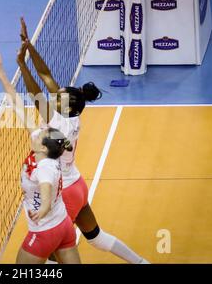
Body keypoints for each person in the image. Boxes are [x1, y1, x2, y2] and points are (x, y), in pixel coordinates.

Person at [16, 18, 149, 264]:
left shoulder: (56, 123)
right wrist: (29, 45)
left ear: (64, 104)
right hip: (77, 184)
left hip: (62, 191)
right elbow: (45, 75)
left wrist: (21, 64)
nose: (56, 94)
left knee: (56, 254)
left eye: (59, 96)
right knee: (96, 237)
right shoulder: (72, 115)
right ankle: (141, 262)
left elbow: (35, 91)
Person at [0, 50, 81, 264]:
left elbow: (46, 186)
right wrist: (1, 73)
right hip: (64, 225)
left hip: (44, 231)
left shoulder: (46, 166)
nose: (38, 131)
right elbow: (17, 104)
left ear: (44, 148)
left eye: (42, 133)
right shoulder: (41, 143)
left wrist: (45, 207)